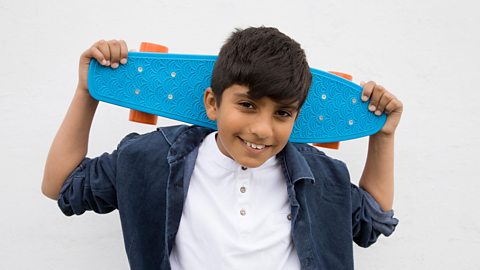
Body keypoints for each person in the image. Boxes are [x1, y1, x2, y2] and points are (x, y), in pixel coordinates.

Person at [42, 27, 403, 270]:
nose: (262, 129)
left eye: (282, 113)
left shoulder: (321, 175)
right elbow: (61, 185)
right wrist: (87, 92)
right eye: (247, 105)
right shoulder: (151, 158)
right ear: (212, 103)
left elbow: (372, 222)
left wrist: (383, 137)